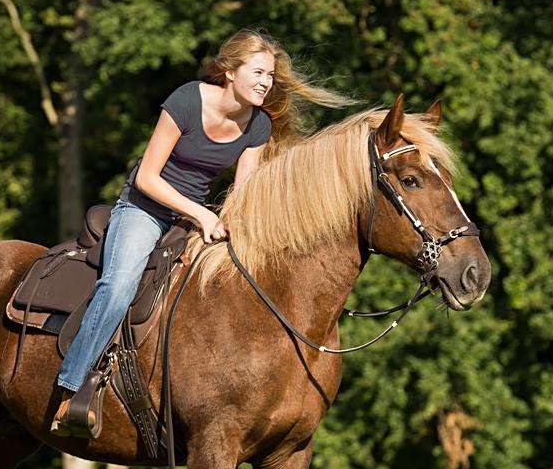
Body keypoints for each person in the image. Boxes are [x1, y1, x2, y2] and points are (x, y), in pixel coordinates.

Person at [51, 29, 350, 436]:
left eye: (270, 76)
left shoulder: (258, 125)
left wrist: (246, 234)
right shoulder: (187, 100)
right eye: (258, 72)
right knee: (119, 286)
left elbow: (243, 193)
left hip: (192, 219)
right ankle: (71, 387)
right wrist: (201, 216)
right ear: (229, 71)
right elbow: (147, 177)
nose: (266, 82)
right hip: (145, 209)